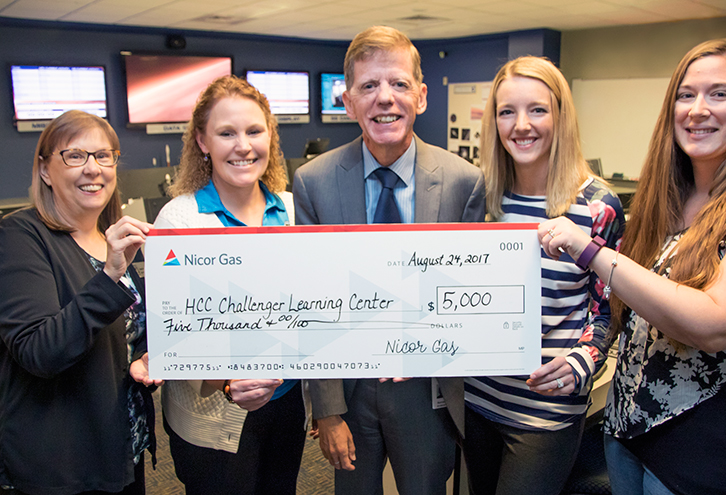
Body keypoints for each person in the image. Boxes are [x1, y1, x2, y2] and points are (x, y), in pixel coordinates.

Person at [539, 39, 726, 494]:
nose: (698, 109)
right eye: (686, 95)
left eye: (720, 93)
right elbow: (626, 311)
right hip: (628, 436)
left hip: (711, 456)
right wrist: (583, 352)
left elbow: (718, 324)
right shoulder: (665, 200)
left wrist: (592, 252)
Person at [293, 25, 485, 495]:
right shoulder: (313, 182)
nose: (385, 98)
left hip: (427, 390)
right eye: (369, 86)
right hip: (350, 389)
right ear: (348, 101)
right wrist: (328, 409)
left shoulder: (465, 181)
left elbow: (469, 296)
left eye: (399, 84)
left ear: (420, 97)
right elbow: (311, 301)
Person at [464, 56, 625, 495]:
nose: (521, 125)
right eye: (506, 111)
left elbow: (609, 311)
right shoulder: (480, 201)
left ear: (560, 116)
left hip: (545, 410)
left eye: (537, 109)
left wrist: (582, 362)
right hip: (477, 398)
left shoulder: (597, 207)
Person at [152, 75, 306, 495]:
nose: (243, 146)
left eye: (255, 131)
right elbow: (171, 335)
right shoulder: (179, 221)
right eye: (226, 133)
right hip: (211, 414)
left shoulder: (295, 212)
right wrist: (224, 380)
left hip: (287, 403)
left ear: (270, 137)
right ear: (202, 141)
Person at [0, 110, 154, 494]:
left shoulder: (109, 239)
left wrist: (144, 358)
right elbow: (40, 350)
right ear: (46, 170)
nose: (93, 168)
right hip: (63, 466)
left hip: (121, 449)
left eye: (104, 156)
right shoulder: (19, 235)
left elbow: (123, 332)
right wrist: (109, 276)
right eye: (75, 156)